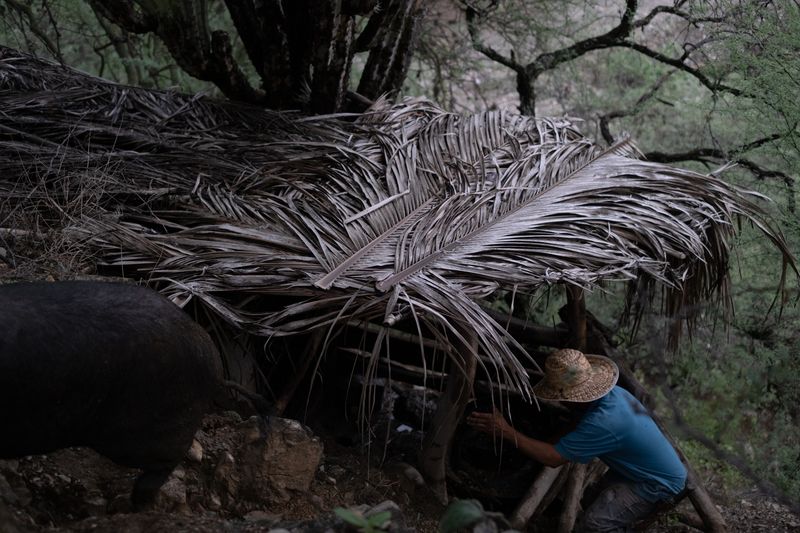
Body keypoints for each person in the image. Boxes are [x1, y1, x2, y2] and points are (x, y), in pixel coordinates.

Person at [467, 348, 687, 532]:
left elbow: (553, 459)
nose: (561, 403)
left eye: (562, 397)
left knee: (596, 523)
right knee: (593, 498)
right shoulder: (613, 395)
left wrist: (506, 431)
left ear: (574, 398)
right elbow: (576, 426)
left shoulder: (604, 422)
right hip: (644, 469)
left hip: (658, 483)